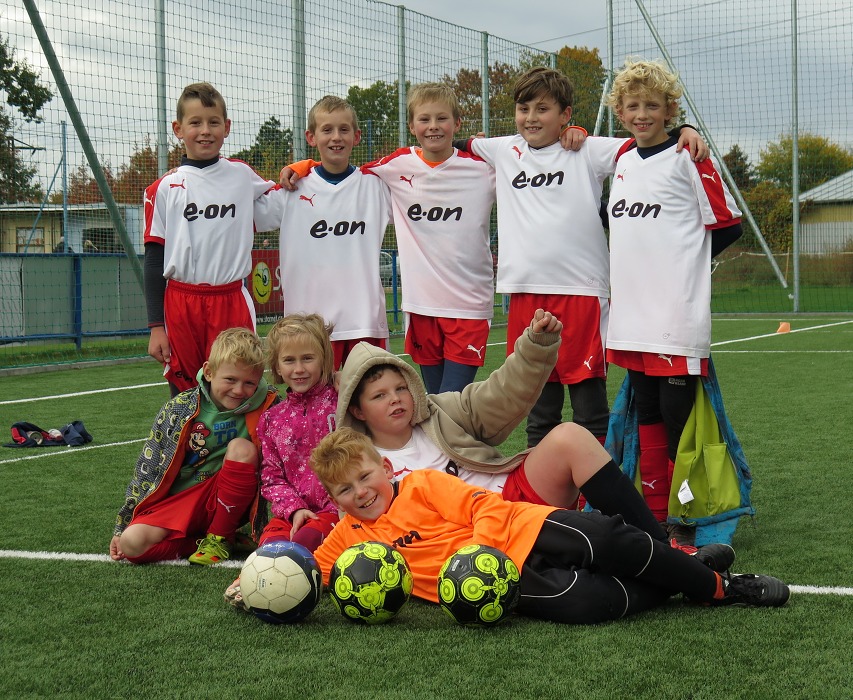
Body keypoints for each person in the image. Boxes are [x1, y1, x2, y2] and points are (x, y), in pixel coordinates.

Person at [335, 308, 726, 561]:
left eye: (400, 388)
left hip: (514, 495)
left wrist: (535, 347)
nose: (396, 400)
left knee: (569, 437)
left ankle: (663, 548)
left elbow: (499, 395)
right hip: (470, 540)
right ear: (357, 408)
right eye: (380, 396)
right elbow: (360, 524)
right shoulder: (362, 468)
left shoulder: (438, 412)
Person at [457, 67, 709, 449]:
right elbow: (454, 142)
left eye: (543, 109)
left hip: (581, 293)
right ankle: (545, 496)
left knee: (589, 409)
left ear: (566, 115)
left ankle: (595, 496)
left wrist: (684, 130)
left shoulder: (589, 150)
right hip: (524, 293)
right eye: (524, 109)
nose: (531, 117)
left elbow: (646, 140)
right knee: (539, 408)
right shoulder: (502, 149)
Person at [310, 428, 790, 624]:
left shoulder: (421, 485)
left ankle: (721, 588)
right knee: (586, 603)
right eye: (345, 490)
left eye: (365, 476)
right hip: (499, 585)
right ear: (335, 502)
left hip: (522, 529)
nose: (361, 492)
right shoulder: (348, 538)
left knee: (607, 539)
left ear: (384, 467)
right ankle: (685, 575)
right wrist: (263, 589)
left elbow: (484, 507)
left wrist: (475, 554)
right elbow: (312, 573)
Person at [603, 59, 744, 543]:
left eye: (652, 105)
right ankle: (657, 514)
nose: (642, 114)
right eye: (632, 105)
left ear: (669, 110)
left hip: (673, 313)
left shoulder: (689, 156)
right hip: (628, 316)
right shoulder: (621, 157)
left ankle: (690, 515)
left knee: (678, 412)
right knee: (647, 409)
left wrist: (683, 268)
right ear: (619, 111)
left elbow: (728, 224)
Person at [143, 82, 276, 395]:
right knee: (188, 395)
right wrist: (155, 327)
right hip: (181, 304)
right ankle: (189, 446)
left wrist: (298, 169)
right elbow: (153, 260)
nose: (205, 131)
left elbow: (285, 198)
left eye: (213, 122)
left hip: (230, 300)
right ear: (178, 129)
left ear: (227, 127)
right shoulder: (162, 189)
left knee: (239, 388)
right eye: (195, 123)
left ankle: (243, 447)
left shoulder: (242, 176)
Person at [110, 327, 277, 565]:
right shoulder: (179, 408)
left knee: (242, 448)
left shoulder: (268, 406)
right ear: (209, 372)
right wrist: (122, 525)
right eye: (230, 379)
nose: (239, 390)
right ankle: (210, 540)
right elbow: (147, 465)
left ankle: (220, 536)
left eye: (250, 383)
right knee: (132, 545)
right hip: (179, 499)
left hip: (227, 498)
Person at [253, 95, 392, 369]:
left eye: (344, 129)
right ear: (311, 137)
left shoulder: (376, 187)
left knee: (369, 407)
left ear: (357, 136)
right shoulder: (291, 189)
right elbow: (240, 210)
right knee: (309, 410)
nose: (336, 137)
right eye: (326, 130)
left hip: (363, 323)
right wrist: (192, 172)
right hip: (306, 329)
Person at [223, 313, 339, 607]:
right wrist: (294, 509)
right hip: (290, 512)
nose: (299, 369)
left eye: (308, 359)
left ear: (324, 359)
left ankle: (254, 584)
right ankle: (253, 581)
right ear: (276, 365)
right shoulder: (272, 419)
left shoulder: (343, 403)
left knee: (306, 540)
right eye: (289, 360)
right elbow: (271, 477)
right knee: (270, 543)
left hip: (336, 510)